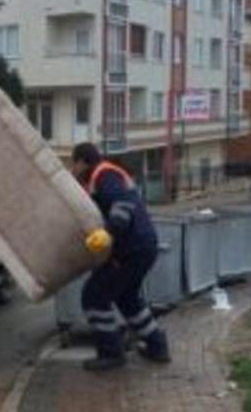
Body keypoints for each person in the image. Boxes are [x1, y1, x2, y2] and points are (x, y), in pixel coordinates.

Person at [71, 142, 171, 371]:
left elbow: (122, 204)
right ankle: (157, 346)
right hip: (141, 247)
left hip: (130, 250)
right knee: (127, 299)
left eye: (73, 164)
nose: (72, 170)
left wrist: (109, 232)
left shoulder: (103, 174)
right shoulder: (105, 174)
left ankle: (111, 353)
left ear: (82, 162)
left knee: (94, 296)